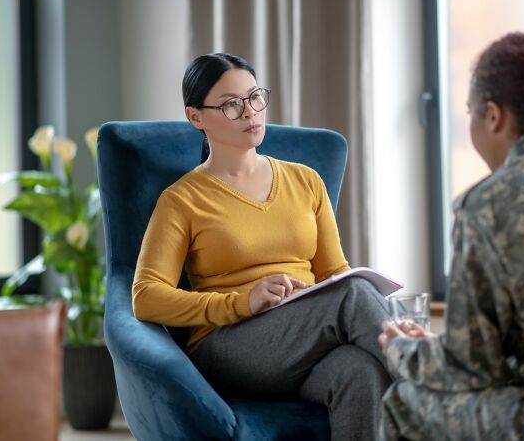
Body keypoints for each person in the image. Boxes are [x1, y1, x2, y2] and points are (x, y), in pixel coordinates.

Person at [132, 52, 393, 440]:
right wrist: (241, 302)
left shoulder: (306, 181)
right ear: (196, 117)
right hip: (229, 347)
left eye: (255, 97)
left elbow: (335, 273)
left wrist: (324, 297)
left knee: (360, 372)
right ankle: (438, 385)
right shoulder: (182, 199)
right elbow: (145, 296)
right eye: (232, 104)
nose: (250, 112)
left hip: (303, 338)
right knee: (354, 295)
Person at [378, 30, 524, 440]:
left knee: (402, 401)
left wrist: (402, 351)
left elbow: (470, 368)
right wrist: (436, 347)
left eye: (470, 112)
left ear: (493, 115)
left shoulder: (490, 201)